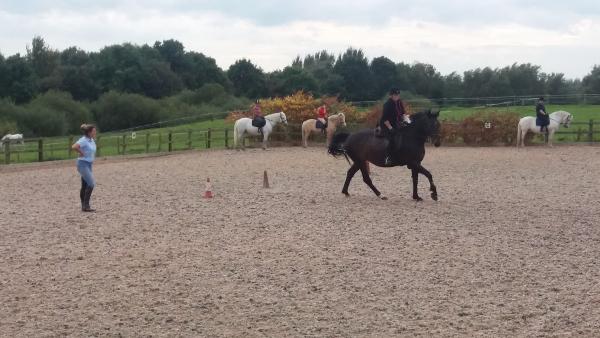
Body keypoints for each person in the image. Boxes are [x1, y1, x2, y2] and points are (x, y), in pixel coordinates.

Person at [379, 88, 409, 165]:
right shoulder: (387, 104)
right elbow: (385, 118)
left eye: (398, 95)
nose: (397, 96)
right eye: (395, 95)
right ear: (391, 96)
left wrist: (407, 120)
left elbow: (403, 113)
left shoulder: (399, 102)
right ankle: (388, 157)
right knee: (392, 138)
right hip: (387, 124)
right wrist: (390, 128)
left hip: (397, 123)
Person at [71, 124, 97, 212]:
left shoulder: (91, 139)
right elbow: (74, 146)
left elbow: (84, 128)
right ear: (89, 133)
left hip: (89, 164)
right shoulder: (84, 140)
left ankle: (84, 206)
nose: (95, 132)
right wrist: (81, 152)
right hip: (82, 164)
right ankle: (86, 205)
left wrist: (84, 127)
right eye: (93, 131)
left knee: (85, 185)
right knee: (91, 183)